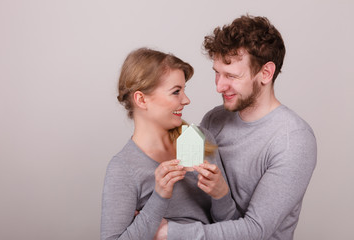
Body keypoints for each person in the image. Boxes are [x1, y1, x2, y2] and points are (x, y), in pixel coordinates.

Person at [155, 15, 317, 240]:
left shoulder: (293, 140)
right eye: (216, 73)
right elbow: (194, 200)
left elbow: (255, 230)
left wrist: (169, 233)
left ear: (266, 73)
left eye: (231, 75)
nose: (219, 86)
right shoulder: (214, 120)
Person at [100, 48, 230, 240]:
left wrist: (222, 195)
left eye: (184, 90)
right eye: (176, 92)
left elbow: (233, 228)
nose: (186, 100)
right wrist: (159, 197)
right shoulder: (123, 168)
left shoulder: (202, 140)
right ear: (141, 99)